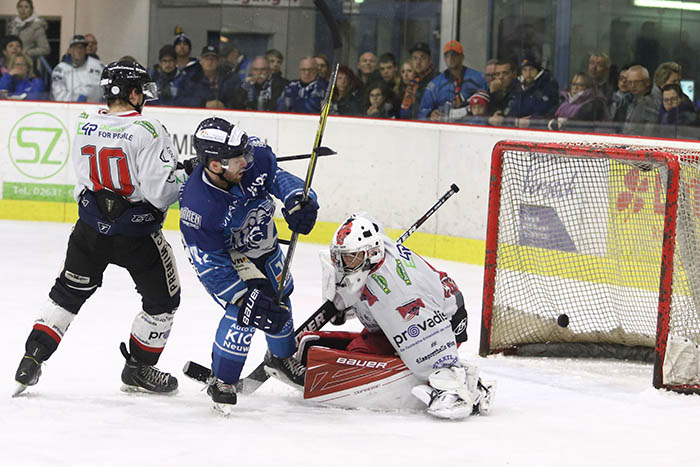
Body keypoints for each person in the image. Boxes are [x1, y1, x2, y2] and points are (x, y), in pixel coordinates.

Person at [14, 60, 183, 397]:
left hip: (89, 232)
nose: (145, 98)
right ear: (134, 93)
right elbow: (161, 193)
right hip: (136, 238)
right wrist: (182, 175)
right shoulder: (149, 131)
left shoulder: (86, 122)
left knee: (66, 294)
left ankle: (32, 357)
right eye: (142, 92)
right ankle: (139, 367)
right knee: (164, 301)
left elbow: (83, 180)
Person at [178, 116, 319, 411]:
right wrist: (242, 296)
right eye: (237, 158)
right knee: (249, 311)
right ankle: (223, 379)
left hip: (264, 245)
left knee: (280, 296)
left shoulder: (253, 158)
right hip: (228, 258)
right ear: (215, 165)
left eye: (245, 153)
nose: (246, 161)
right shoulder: (199, 206)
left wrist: (298, 200)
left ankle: (280, 358)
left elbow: (278, 178)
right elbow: (210, 264)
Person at [297, 213, 495, 419]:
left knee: (374, 354)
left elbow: (426, 331)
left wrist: (441, 377)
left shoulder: (400, 293)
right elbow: (367, 221)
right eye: (340, 257)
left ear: (371, 252)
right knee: (359, 348)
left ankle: (463, 383)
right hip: (419, 307)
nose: (341, 265)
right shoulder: (374, 253)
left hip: (444, 321)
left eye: (348, 258)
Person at [418, 40, 487, 121]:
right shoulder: (435, 83)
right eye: (447, 55)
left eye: (455, 55)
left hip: (472, 127)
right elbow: (423, 110)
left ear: (462, 57)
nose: (450, 58)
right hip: (446, 128)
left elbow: (490, 103)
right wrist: (431, 113)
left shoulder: (478, 78)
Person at [177, 44, 246, 109]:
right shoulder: (190, 78)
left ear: (218, 61)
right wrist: (204, 104)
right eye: (206, 58)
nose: (210, 62)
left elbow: (238, 101)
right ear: (200, 60)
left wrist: (224, 106)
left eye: (213, 58)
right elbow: (180, 100)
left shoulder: (230, 78)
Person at [50, 35, 104, 102]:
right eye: (75, 48)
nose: (79, 51)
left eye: (81, 48)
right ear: (69, 50)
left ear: (85, 50)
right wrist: (78, 99)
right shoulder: (60, 69)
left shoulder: (98, 65)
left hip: (96, 106)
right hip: (70, 108)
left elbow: (104, 87)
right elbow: (58, 94)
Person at [399, 42, 437, 119]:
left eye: (422, 58)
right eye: (415, 58)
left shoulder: (437, 79)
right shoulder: (412, 82)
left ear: (429, 60)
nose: (418, 62)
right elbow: (404, 112)